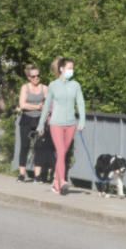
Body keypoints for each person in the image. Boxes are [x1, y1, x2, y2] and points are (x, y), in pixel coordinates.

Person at [37, 57, 86, 196]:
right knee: (60, 151)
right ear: (61, 69)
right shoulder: (53, 85)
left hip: (70, 124)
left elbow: (80, 103)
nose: (72, 71)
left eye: (72, 68)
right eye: (69, 68)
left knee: (62, 154)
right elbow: (46, 106)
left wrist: (82, 120)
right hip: (56, 123)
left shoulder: (76, 85)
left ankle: (56, 183)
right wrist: (41, 123)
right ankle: (63, 180)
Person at [16, 64, 47, 182]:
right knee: (25, 146)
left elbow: (48, 104)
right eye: (33, 76)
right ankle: (21, 174)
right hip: (26, 119)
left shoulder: (44, 88)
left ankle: (37, 175)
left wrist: (39, 107)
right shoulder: (25, 88)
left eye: (38, 76)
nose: (36, 78)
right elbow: (22, 105)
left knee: (39, 146)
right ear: (29, 77)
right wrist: (37, 106)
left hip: (39, 119)